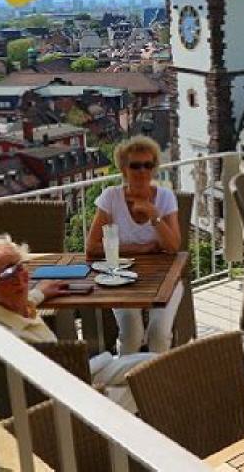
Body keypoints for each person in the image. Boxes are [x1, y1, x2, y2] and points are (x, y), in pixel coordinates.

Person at [0, 235, 153, 412]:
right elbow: (60, 389)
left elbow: (26, 301)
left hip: (73, 375)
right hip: (72, 403)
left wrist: (41, 293)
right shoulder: (9, 339)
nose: (19, 279)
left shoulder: (14, 308)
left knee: (153, 362)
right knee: (149, 383)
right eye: (6, 275)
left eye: (19, 267)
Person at [87, 135, 182, 355]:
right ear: (123, 169)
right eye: (135, 165)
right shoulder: (111, 198)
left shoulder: (165, 197)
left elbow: (174, 247)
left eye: (148, 165)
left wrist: (153, 214)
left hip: (163, 277)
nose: (142, 171)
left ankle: (157, 376)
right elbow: (91, 248)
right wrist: (141, 249)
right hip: (120, 277)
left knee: (159, 334)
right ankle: (127, 376)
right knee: (131, 334)